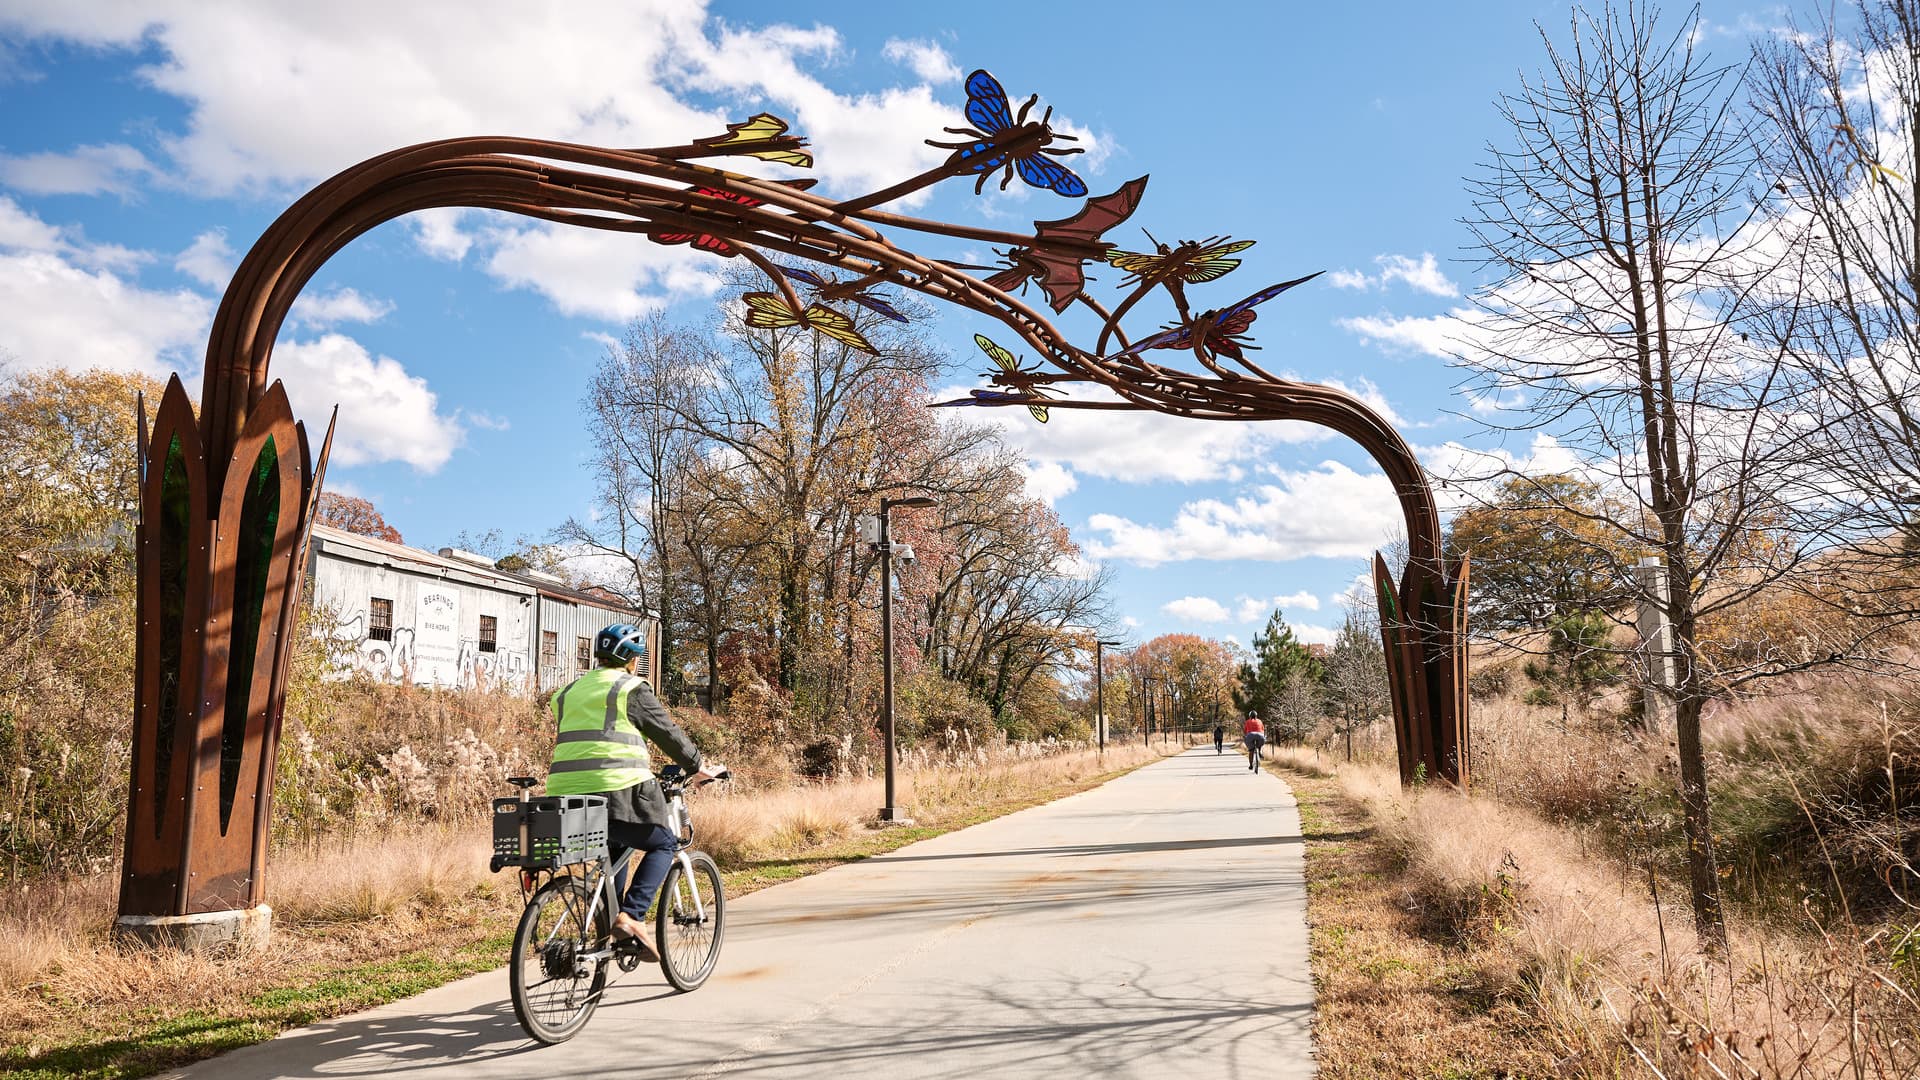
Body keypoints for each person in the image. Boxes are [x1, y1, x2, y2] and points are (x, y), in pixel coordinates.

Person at [546, 623, 722, 960]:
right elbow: (667, 733)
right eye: (637, 658)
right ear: (631, 659)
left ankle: (610, 921)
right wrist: (698, 766)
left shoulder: (568, 692)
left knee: (617, 844)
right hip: (616, 789)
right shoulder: (629, 689)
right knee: (664, 842)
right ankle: (632, 916)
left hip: (563, 796)